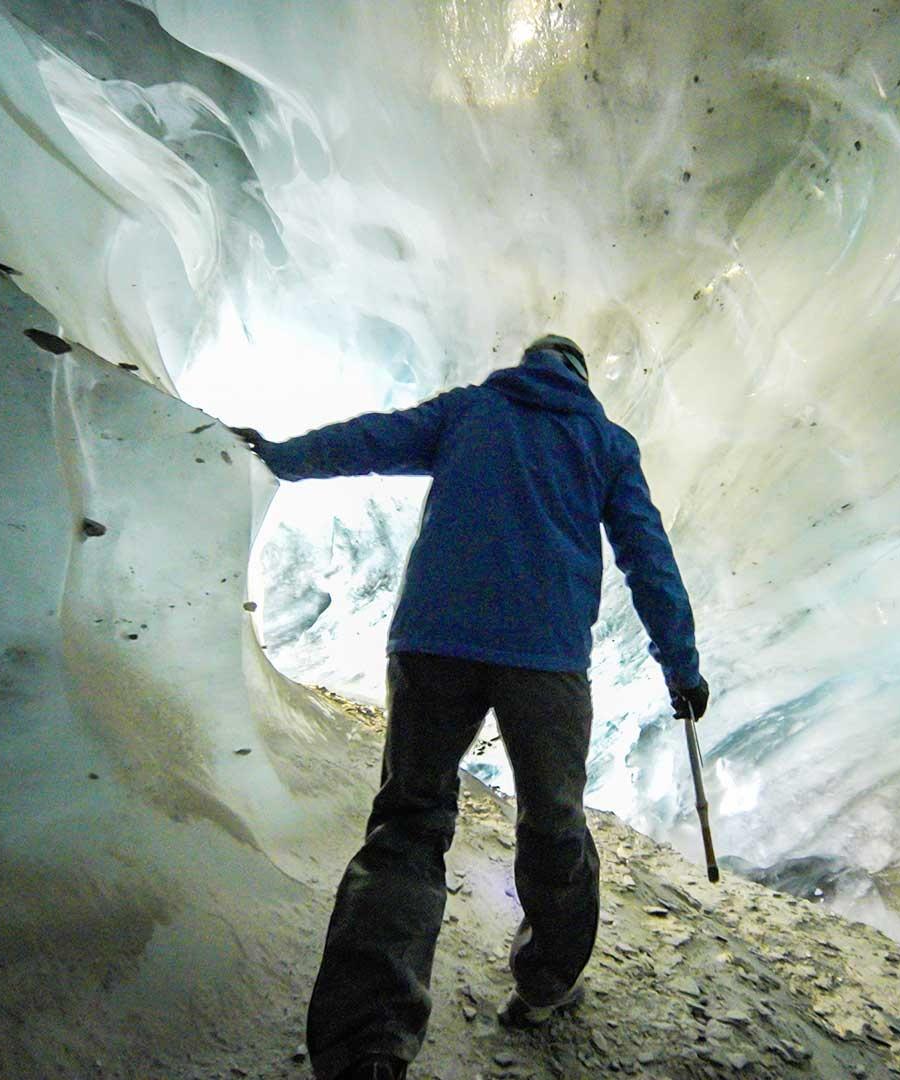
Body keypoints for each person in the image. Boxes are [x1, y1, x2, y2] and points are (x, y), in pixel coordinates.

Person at [232, 334, 709, 1080]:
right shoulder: (607, 443)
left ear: (527, 365)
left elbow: (372, 439)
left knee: (408, 823)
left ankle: (366, 1048)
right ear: (581, 378)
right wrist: (680, 666)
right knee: (554, 824)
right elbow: (648, 557)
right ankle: (546, 985)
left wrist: (284, 456)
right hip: (544, 662)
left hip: (433, 644)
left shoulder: (472, 411)